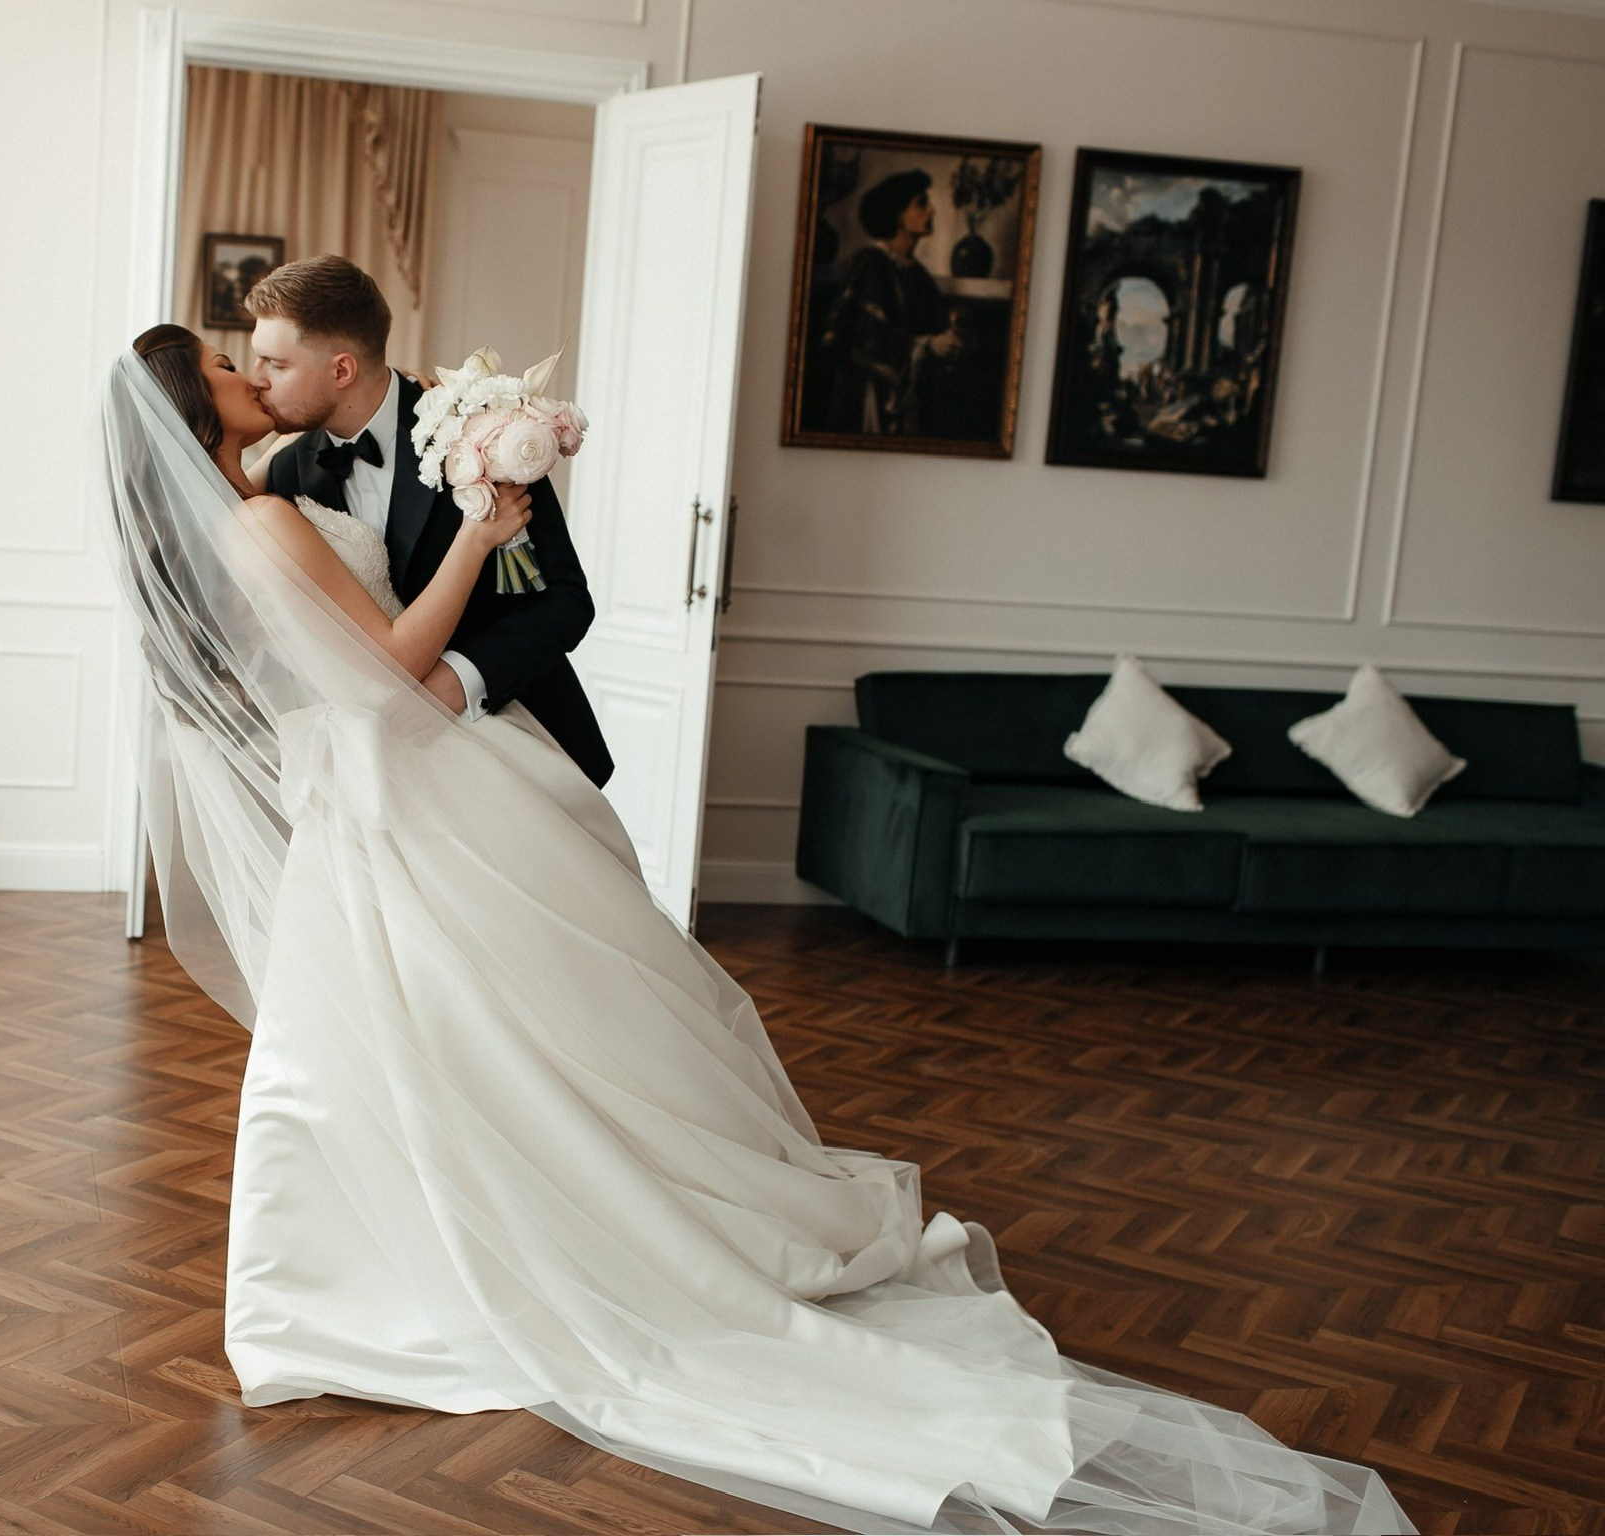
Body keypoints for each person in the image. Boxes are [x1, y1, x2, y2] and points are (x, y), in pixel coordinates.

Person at [99, 322, 1414, 1535]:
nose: (244, 366)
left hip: (383, 790)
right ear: (194, 402)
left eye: (254, 348)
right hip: (408, 775)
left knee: (425, 1036)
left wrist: (500, 511)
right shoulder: (265, 517)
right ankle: (472, 1253)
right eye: (223, 359)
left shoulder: (261, 506)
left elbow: (449, 636)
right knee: (463, 1023)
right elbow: (386, 671)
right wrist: (468, 536)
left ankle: (352, 1284)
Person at [248, 256, 611, 788]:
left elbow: (565, 600)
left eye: (274, 364)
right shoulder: (287, 469)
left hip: (522, 748)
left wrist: (454, 684)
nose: (255, 380)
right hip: (385, 768)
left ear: (342, 370)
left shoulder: (487, 432)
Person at [812, 168, 957, 435]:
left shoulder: (918, 275)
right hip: (870, 398)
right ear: (898, 214)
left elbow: (933, 326)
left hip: (909, 398)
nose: (931, 211)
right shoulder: (871, 264)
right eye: (921, 204)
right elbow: (865, 335)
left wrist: (949, 341)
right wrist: (926, 346)